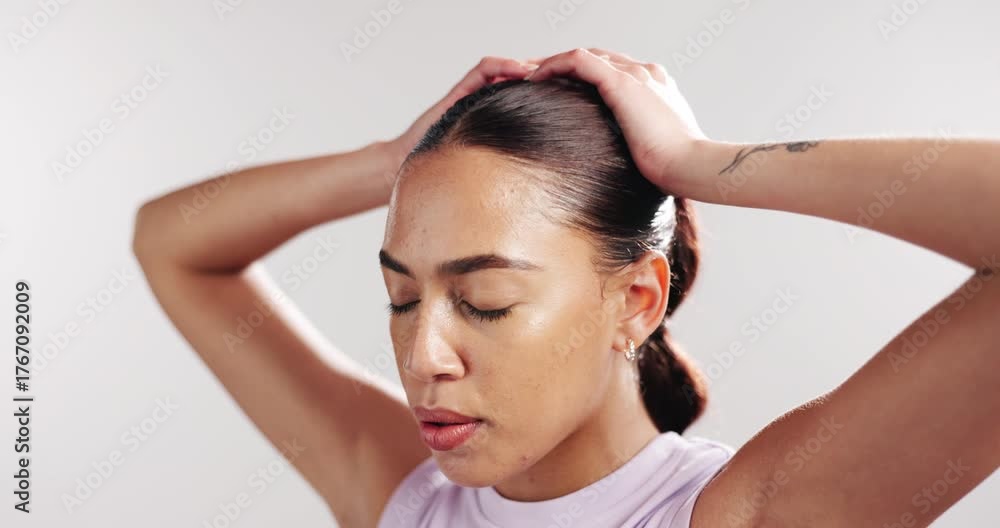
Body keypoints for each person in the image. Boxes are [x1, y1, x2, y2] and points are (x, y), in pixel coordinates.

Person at [132, 48, 1000, 527]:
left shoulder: (743, 515)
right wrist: (395, 162)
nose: (423, 357)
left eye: (486, 301)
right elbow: (171, 243)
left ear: (637, 302)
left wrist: (702, 164)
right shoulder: (408, 501)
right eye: (402, 298)